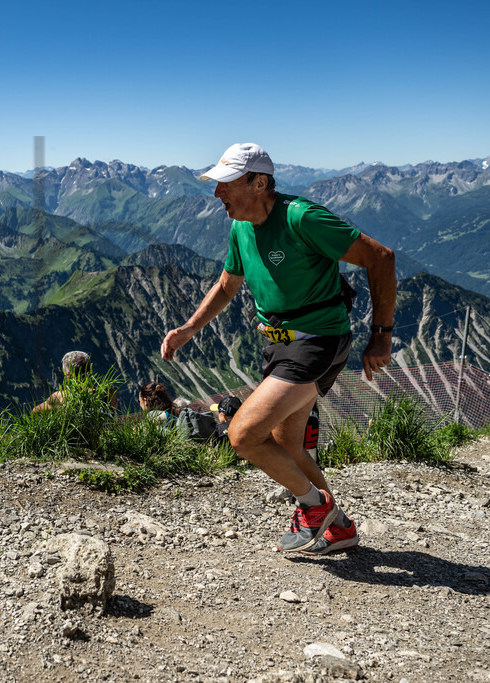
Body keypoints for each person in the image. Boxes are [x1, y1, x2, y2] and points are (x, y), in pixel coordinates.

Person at [161, 142, 396, 556]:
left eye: (226, 184)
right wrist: (189, 328)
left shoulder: (301, 217)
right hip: (278, 344)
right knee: (286, 440)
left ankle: (313, 506)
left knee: (243, 434)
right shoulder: (241, 226)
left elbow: (380, 257)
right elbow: (227, 284)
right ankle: (338, 527)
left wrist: (381, 334)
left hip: (318, 341)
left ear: (259, 182)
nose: (218, 194)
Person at [32, 351, 118, 413]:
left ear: (68, 375)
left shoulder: (60, 397)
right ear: (90, 370)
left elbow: (35, 412)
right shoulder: (109, 393)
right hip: (103, 436)